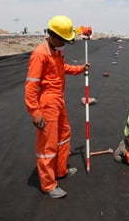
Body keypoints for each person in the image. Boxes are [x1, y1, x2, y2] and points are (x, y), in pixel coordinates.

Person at [24, 15, 90, 199]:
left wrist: (80, 68)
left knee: (63, 136)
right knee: (48, 145)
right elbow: (30, 86)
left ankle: (61, 170)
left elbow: (61, 69)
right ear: (52, 35)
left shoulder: (56, 50)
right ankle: (48, 184)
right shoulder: (40, 54)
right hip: (47, 104)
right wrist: (35, 113)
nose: (65, 44)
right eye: (63, 40)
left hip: (58, 101)